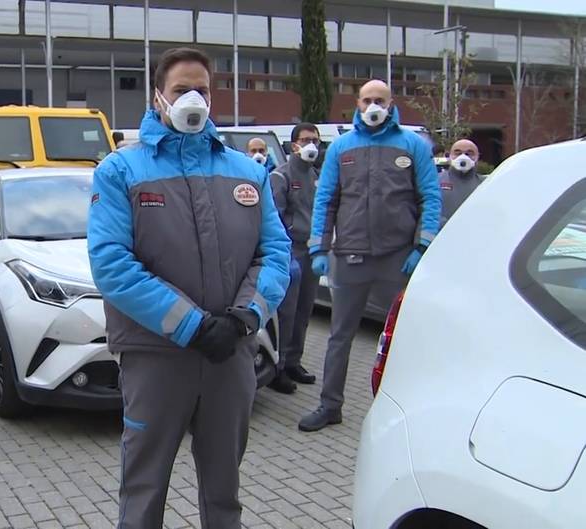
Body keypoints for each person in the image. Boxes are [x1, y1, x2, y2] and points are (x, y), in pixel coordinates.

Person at [87, 47, 291, 528]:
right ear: (159, 96)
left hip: (230, 355)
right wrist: (193, 327)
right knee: (144, 488)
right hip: (156, 358)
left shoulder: (248, 173)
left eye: (201, 89)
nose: (192, 98)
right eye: (181, 90)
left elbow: (276, 252)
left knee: (224, 490)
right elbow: (112, 264)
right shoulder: (121, 171)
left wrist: (247, 316)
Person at [300, 80, 441, 432]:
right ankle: (330, 405)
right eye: (367, 100)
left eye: (380, 100)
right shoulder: (342, 148)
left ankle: (403, 410)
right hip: (349, 258)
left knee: (403, 338)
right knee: (339, 337)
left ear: (391, 103)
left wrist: (421, 247)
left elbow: (430, 197)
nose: (374, 105)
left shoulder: (413, 146)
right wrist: (319, 248)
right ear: (358, 104)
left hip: (397, 258)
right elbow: (326, 199)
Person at [268, 123, 322, 395]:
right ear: (293, 145)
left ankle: (293, 361)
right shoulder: (281, 176)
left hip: (311, 250)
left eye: (316, 140)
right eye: (306, 140)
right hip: (290, 251)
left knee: (304, 310)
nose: (312, 145)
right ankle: (276, 368)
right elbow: (274, 216)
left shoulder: (315, 175)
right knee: (286, 312)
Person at [439, 139, 483, 227]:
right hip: (441, 236)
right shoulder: (434, 180)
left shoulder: (485, 184)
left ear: (477, 157)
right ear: (449, 156)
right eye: (458, 153)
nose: (463, 157)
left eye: (469, 153)